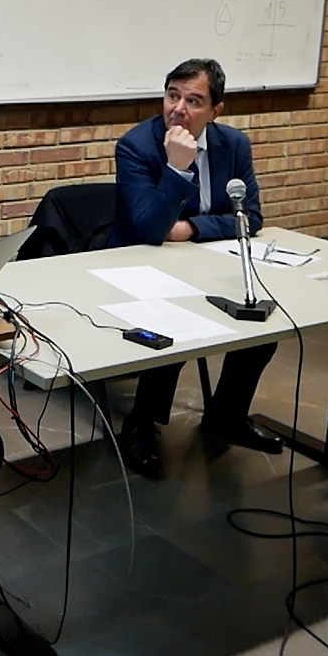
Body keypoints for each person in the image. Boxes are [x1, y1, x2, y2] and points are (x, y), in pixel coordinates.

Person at [110, 57, 282, 479]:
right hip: (139, 264)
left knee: (262, 324)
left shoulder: (233, 145)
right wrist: (176, 167)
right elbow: (151, 229)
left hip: (203, 259)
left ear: (215, 110)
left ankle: (227, 415)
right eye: (172, 96)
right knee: (177, 325)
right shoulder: (136, 145)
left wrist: (191, 228)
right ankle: (140, 423)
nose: (178, 109)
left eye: (193, 100)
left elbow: (250, 218)